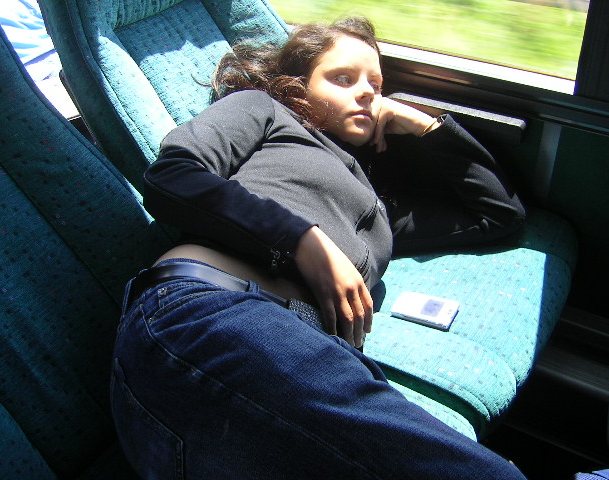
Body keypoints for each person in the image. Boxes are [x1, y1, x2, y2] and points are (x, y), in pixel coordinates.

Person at [110, 16, 528, 479]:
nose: (367, 93)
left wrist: (428, 126)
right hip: (209, 315)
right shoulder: (264, 110)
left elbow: (498, 214)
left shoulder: (378, 208)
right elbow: (172, 176)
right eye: (343, 78)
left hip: (291, 364)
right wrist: (299, 239)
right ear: (297, 85)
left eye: (376, 84)